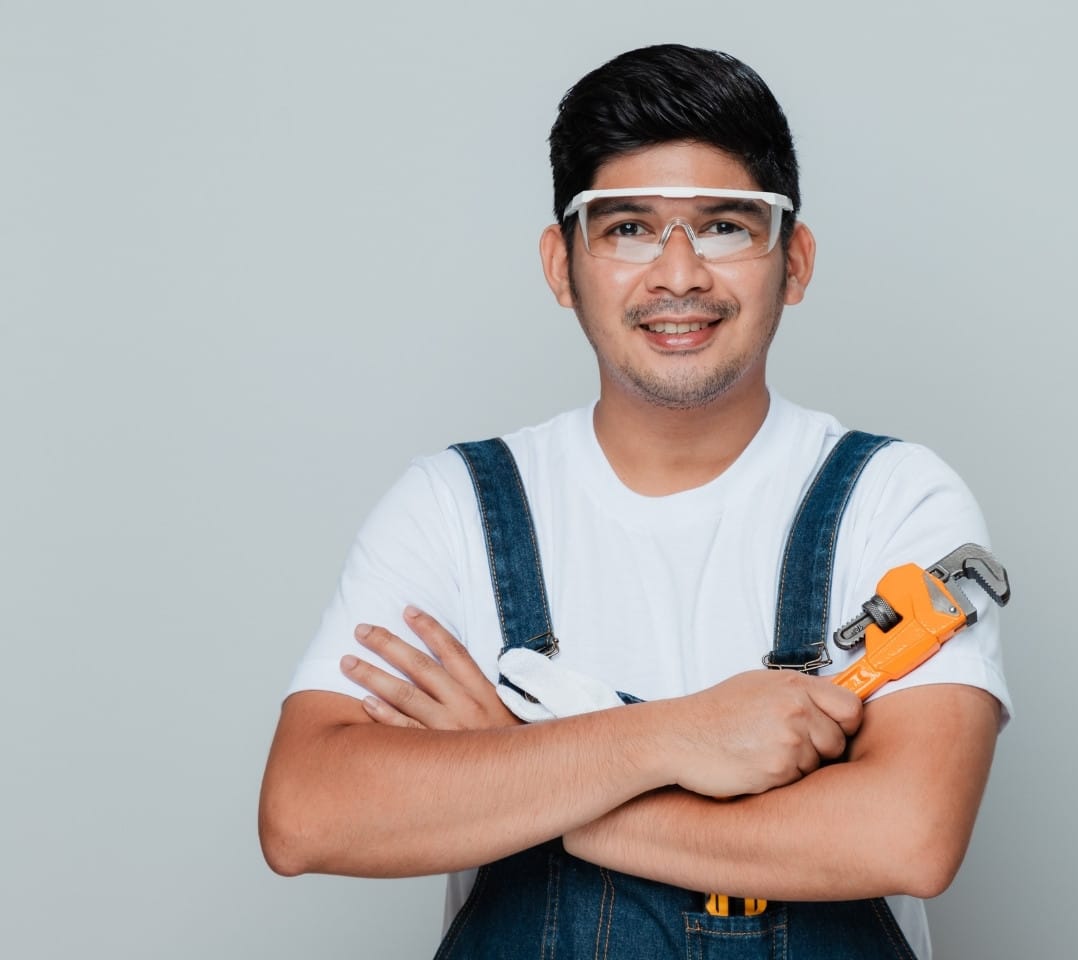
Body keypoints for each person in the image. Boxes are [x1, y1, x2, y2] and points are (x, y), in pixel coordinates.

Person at [259, 43, 1011, 960]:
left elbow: (909, 835)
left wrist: (533, 782)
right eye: (627, 229)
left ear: (796, 260)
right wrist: (672, 738)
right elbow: (306, 812)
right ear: (561, 264)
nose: (680, 274)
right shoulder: (451, 506)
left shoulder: (893, 498)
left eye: (728, 226)